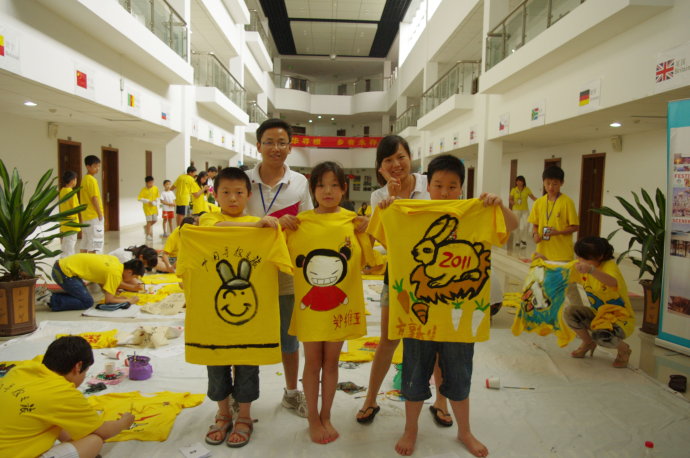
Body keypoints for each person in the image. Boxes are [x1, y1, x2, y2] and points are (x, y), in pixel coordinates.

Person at [394, 154, 517, 457]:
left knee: (459, 378)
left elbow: (512, 225)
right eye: (438, 185)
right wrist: (387, 207)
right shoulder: (411, 213)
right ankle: (410, 429)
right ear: (428, 186)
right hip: (420, 319)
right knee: (413, 378)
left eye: (452, 186)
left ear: (462, 188)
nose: (445, 192)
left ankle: (465, 431)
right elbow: (382, 233)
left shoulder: (476, 213)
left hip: (459, 321)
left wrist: (499, 206)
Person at [287, 161, 369, 444]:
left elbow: (373, 257)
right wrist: (279, 224)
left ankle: (326, 414)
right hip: (310, 309)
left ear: (344, 189)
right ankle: (312, 417)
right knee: (312, 362)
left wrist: (370, 227)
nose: (328, 191)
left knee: (332, 362)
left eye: (334, 185)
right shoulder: (300, 223)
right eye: (321, 185)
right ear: (313, 190)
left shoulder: (353, 222)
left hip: (340, 309)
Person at [357, 135, 437, 425]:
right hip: (399, 273)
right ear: (380, 167)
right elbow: (387, 243)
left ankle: (441, 402)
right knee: (388, 338)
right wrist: (392, 205)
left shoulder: (430, 184)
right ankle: (370, 399)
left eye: (401, 157)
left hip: (434, 274)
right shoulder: (379, 197)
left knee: (435, 337)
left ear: (410, 158)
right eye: (388, 160)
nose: (396, 164)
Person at [199, 167, 279, 448]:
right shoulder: (209, 218)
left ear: (248, 195)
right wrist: (256, 228)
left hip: (250, 315)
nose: (232, 198)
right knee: (216, 362)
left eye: (238, 192)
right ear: (215, 194)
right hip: (214, 313)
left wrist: (262, 228)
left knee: (247, 362)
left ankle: (244, 416)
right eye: (226, 192)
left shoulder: (259, 224)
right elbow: (213, 229)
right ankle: (223, 413)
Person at [245, 118, 313, 417]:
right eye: (269, 142)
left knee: (289, 335)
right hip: (248, 271)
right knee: (246, 334)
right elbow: (226, 219)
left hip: (285, 270)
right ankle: (243, 397)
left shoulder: (299, 182)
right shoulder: (243, 181)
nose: (276, 148)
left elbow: (308, 223)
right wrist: (264, 224)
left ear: (290, 147)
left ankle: (291, 392)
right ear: (258, 145)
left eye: (282, 142)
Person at [0, 336, 135, 458]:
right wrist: (124, 422)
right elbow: (104, 431)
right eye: (85, 372)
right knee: (94, 441)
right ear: (78, 366)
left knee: (55, 418)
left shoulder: (21, 369)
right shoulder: (62, 392)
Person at [564, 237, 635, 368]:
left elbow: (612, 281)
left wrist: (591, 270)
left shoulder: (609, 266)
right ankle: (588, 342)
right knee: (570, 312)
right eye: (579, 256)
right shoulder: (582, 264)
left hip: (619, 319)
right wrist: (544, 261)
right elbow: (562, 269)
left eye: (585, 258)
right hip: (598, 315)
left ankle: (624, 349)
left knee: (601, 336)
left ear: (600, 256)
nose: (580, 260)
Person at [44, 254, 143, 311]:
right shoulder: (115, 274)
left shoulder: (115, 261)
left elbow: (101, 279)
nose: (133, 279)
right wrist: (129, 300)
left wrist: (114, 296)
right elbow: (108, 301)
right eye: (134, 277)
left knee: (81, 294)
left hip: (63, 266)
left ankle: (51, 295)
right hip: (63, 273)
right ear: (129, 272)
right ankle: (50, 298)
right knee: (87, 302)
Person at [528, 166, 579, 261]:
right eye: (548, 183)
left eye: (555, 184)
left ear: (562, 183)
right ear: (543, 182)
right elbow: (535, 225)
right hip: (542, 253)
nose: (551, 187)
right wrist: (535, 234)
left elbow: (575, 227)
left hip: (562, 255)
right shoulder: (538, 202)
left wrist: (558, 232)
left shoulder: (567, 202)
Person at [79, 155, 104, 253]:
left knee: (85, 241)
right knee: (95, 241)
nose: (97, 168)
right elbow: (94, 198)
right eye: (95, 166)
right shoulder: (92, 180)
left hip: (86, 216)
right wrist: (100, 214)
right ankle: (93, 260)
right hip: (94, 215)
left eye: (98, 166)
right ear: (88, 167)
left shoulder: (84, 179)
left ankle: (83, 260)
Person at [508, 175, 536, 247]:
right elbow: (510, 199)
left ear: (523, 182)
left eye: (520, 181)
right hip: (516, 210)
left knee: (527, 224)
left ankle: (523, 240)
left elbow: (533, 197)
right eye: (517, 181)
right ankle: (517, 240)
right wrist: (513, 202)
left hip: (525, 210)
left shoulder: (527, 189)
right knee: (517, 226)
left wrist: (541, 201)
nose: (519, 182)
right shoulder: (514, 190)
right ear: (516, 182)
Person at [59, 170, 81, 258]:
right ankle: (67, 262)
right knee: (70, 246)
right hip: (72, 224)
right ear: (72, 180)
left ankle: (63, 260)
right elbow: (76, 208)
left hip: (64, 223)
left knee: (65, 245)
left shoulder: (62, 191)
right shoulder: (71, 193)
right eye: (75, 179)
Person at [138, 175, 160, 241]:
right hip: (147, 208)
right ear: (146, 183)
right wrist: (147, 201)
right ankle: (148, 235)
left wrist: (156, 201)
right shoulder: (143, 190)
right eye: (150, 183)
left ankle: (146, 227)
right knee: (149, 221)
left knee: (155, 220)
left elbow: (158, 197)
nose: (151, 184)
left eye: (152, 182)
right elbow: (139, 198)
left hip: (154, 207)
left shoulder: (155, 188)